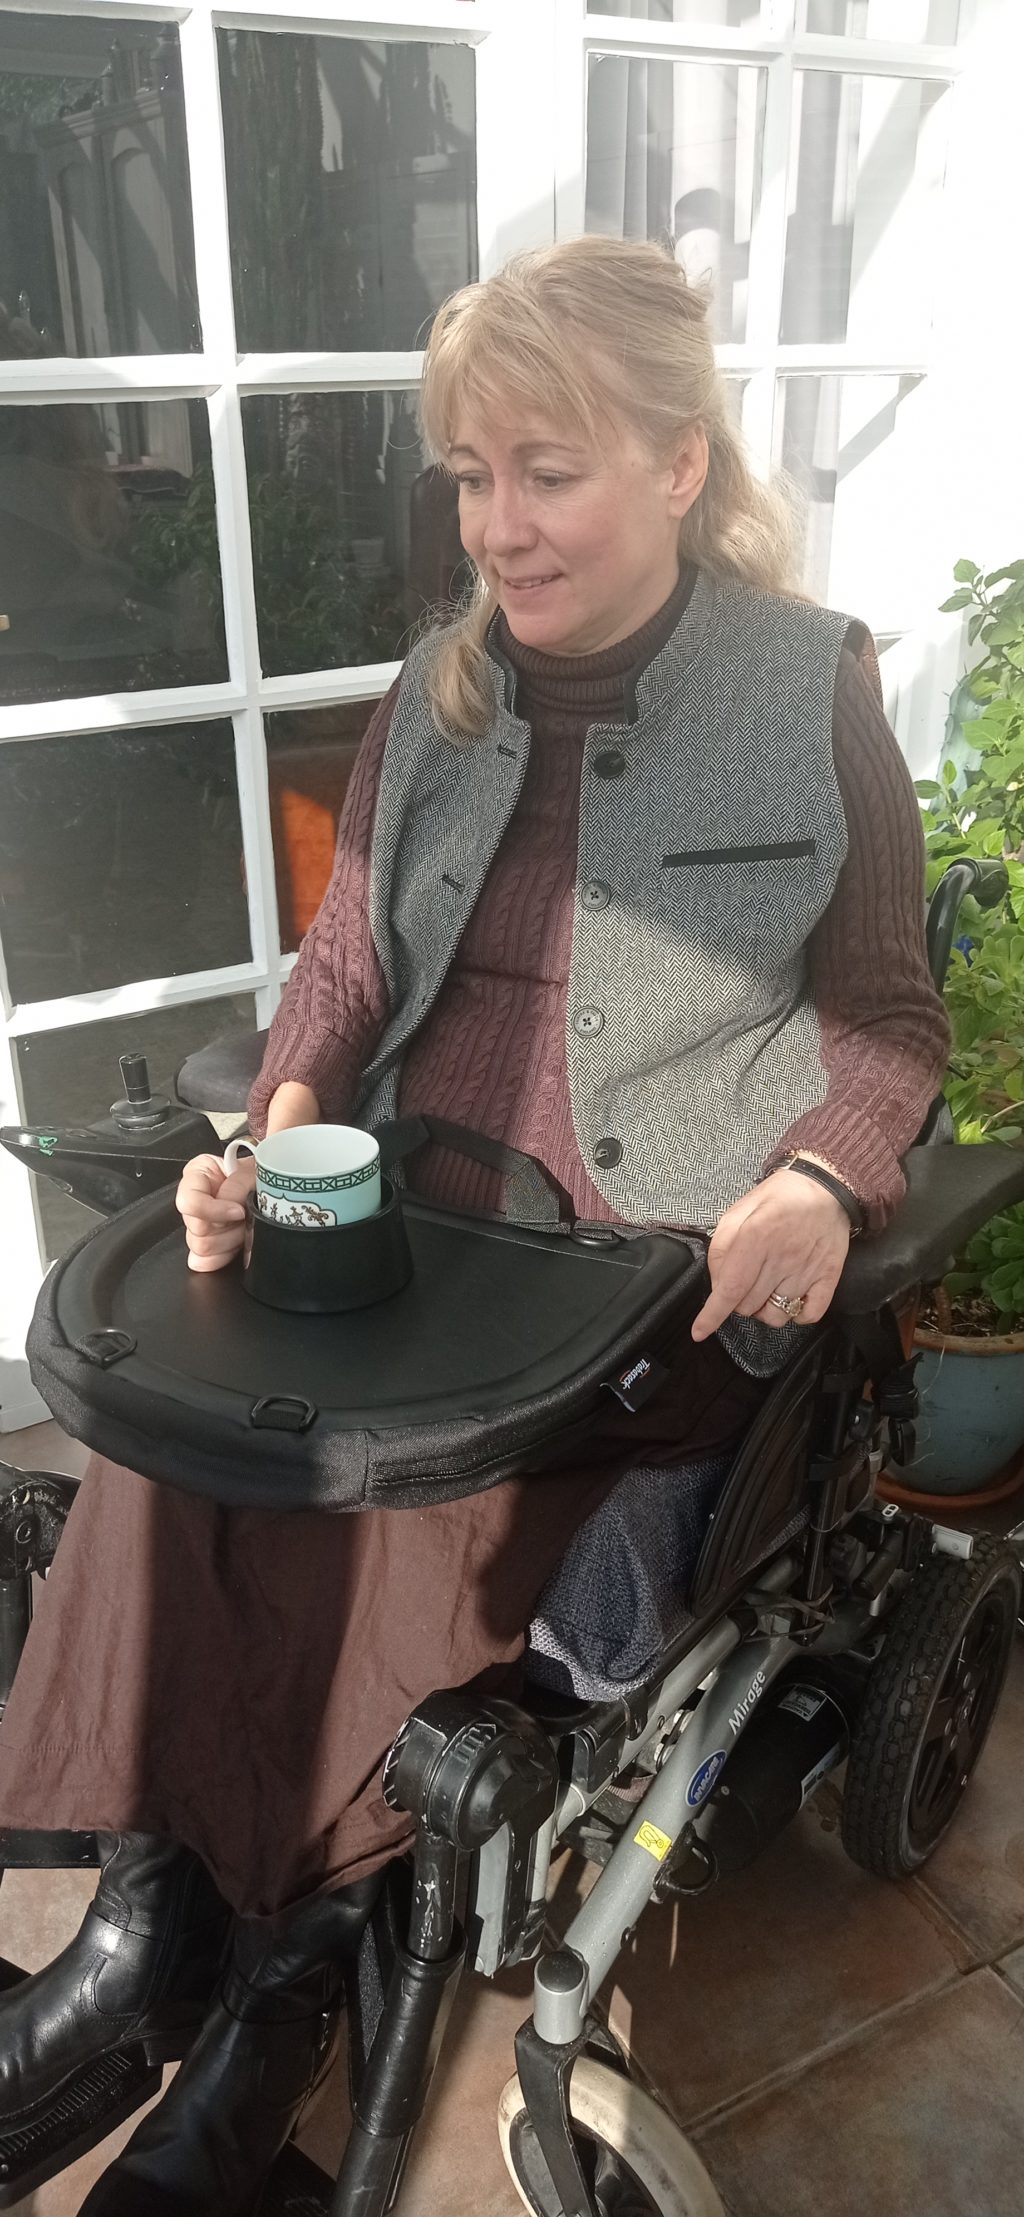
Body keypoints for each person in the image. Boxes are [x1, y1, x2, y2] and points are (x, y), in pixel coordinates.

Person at [0, 236, 949, 2212]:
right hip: (405, 1248)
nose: (493, 524)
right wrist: (266, 1128)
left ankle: (265, 2003)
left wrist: (813, 1172)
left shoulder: (807, 684)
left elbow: (884, 1008)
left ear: (676, 461)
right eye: (465, 474)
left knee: (384, 1531)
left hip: (621, 1296)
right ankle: (138, 1946)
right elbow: (347, 961)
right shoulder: (439, 683)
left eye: (546, 470)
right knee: (180, 1446)